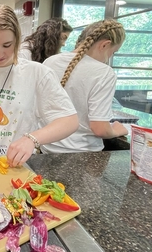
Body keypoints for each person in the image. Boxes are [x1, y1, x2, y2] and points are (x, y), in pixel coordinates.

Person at [0, 5, 79, 167]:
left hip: (15, 164)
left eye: (7, 45)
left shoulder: (38, 73)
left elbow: (69, 120)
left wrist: (33, 139)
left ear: (17, 39)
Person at [42, 19, 128, 153]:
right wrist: (116, 131)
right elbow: (99, 128)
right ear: (105, 45)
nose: (111, 57)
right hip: (83, 154)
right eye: (114, 52)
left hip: (46, 149)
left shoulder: (50, 61)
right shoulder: (104, 73)